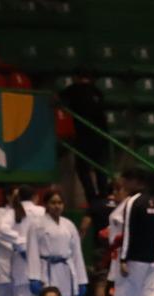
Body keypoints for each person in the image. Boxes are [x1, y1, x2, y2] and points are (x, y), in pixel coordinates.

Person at [98, 169, 154, 296]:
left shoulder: (133, 202)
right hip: (151, 257)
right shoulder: (153, 202)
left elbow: (128, 233)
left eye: (125, 181)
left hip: (134, 258)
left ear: (135, 181)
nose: (123, 185)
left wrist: (124, 259)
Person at [26, 189, 86, 296]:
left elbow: (77, 254)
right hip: (46, 270)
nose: (57, 206)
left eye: (60, 202)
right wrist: (34, 277)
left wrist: (81, 280)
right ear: (46, 204)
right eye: (53, 202)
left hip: (66, 270)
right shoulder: (37, 225)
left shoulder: (69, 225)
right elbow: (32, 252)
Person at [58, 70, 110, 206]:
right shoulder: (97, 92)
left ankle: (92, 198)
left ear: (75, 77)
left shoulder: (74, 89)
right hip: (101, 135)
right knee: (100, 168)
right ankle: (103, 197)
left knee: (82, 168)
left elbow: (57, 100)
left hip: (84, 135)